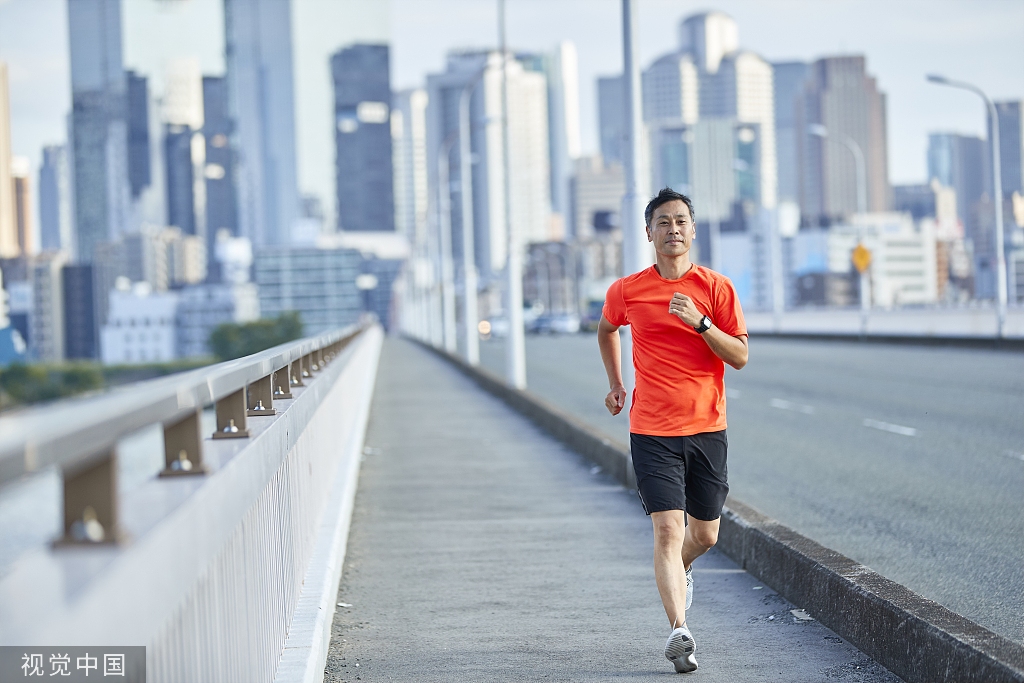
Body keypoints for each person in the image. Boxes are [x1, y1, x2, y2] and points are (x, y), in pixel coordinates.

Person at [597, 187, 748, 673]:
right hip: (652, 430)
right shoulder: (628, 290)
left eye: (681, 221)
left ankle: (680, 571)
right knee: (667, 530)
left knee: (704, 535)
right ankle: (679, 631)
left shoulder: (717, 289)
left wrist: (701, 323)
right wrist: (617, 384)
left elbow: (741, 356)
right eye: (663, 222)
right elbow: (606, 330)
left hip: (707, 427)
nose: (673, 230)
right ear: (649, 233)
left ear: (693, 229)